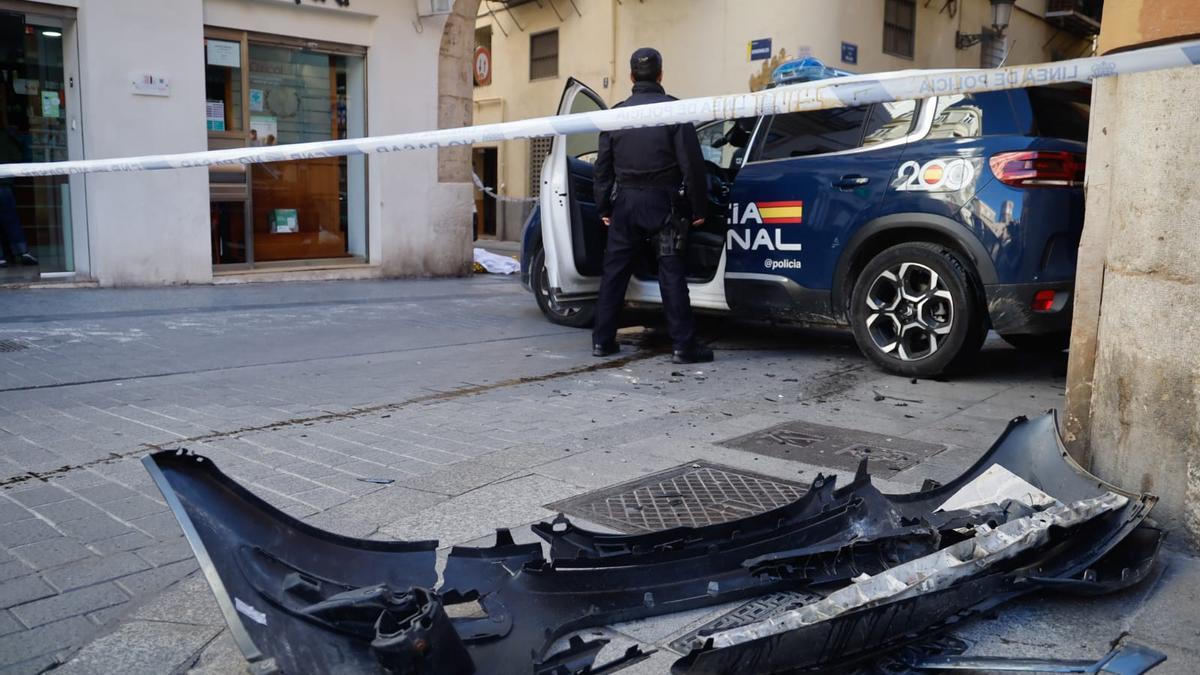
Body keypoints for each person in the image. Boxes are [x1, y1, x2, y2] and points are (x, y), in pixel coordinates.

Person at [591, 47, 713, 364]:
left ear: (631, 77)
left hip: (626, 205)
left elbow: (602, 169)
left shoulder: (616, 115)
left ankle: (602, 342)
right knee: (670, 272)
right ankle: (683, 347)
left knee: (614, 273)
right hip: (665, 203)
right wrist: (699, 208)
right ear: (661, 75)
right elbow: (692, 165)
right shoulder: (674, 111)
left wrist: (604, 208)